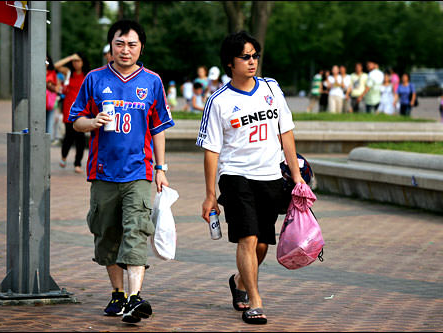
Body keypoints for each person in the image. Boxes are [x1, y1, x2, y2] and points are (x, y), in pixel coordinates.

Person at [69, 19, 175, 324]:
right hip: (102, 172)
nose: (125, 50)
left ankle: (133, 298)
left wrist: (161, 168)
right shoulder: (94, 79)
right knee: (107, 235)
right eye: (119, 43)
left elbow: (158, 129)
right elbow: (76, 120)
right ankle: (117, 293)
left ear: (141, 47)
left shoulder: (152, 81)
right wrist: (93, 122)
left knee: (136, 231)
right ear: (110, 47)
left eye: (132, 44)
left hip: (139, 172)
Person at [197, 30, 304, 325]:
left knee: (262, 244)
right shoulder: (218, 101)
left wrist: (296, 177)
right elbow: (211, 150)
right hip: (235, 176)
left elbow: (286, 132)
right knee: (248, 237)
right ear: (230, 62)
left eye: (255, 55)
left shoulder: (271, 88)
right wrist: (209, 195)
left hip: (270, 175)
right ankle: (255, 301)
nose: (252, 61)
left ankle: (240, 282)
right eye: (245, 57)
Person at [54, 52, 90, 174]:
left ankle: (77, 163)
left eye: (78, 60)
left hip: (82, 111)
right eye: (74, 61)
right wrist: (70, 57)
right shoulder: (68, 73)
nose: (76, 63)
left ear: (83, 62)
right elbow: (56, 66)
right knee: (69, 136)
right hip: (68, 110)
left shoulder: (87, 75)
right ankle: (64, 157)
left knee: (80, 138)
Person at [46, 55, 60, 141]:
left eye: (47, 61)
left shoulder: (52, 72)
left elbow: (56, 88)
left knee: (50, 120)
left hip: (49, 101)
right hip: (39, 101)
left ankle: (49, 138)